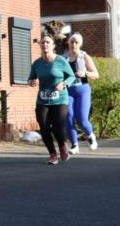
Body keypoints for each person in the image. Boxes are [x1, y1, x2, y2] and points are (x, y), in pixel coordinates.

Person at [28, 34, 76, 165]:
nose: (45, 45)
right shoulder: (37, 64)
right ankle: (53, 154)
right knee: (43, 126)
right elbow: (31, 78)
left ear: (53, 46)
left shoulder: (60, 60)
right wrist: (32, 82)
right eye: (42, 43)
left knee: (57, 126)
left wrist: (64, 84)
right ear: (40, 46)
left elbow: (71, 76)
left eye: (48, 43)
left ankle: (62, 146)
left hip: (60, 99)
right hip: (43, 99)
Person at [64, 33, 99, 153]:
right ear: (68, 43)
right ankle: (74, 145)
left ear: (80, 44)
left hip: (82, 90)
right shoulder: (63, 58)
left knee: (82, 119)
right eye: (72, 41)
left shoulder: (84, 57)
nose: (74, 44)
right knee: (68, 118)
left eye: (76, 42)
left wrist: (85, 73)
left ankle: (91, 136)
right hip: (68, 91)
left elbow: (96, 74)